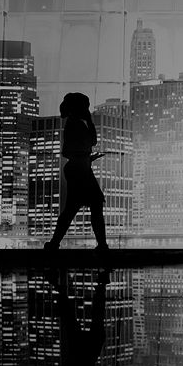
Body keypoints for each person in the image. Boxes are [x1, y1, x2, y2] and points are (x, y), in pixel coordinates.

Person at [44, 93, 109, 253]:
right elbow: (74, 148)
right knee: (92, 204)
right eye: (86, 106)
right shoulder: (76, 124)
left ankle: (54, 243)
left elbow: (84, 146)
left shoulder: (75, 123)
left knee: (72, 208)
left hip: (79, 168)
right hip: (80, 170)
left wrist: (87, 157)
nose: (88, 109)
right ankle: (102, 245)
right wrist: (84, 157)